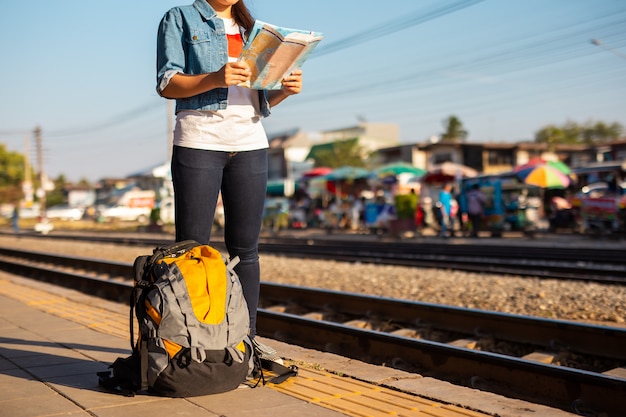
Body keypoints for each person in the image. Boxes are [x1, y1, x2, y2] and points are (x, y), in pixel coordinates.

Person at [156, 0, 303, 360]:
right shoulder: (180, 18)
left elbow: (256, 100)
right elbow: (166, 83)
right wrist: (214, 78)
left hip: (251, 144)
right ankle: (188, 345)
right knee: (192, 251)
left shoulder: (256, 30)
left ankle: (245, 343)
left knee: (246, 252)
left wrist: (285, 89)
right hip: (199, 141)